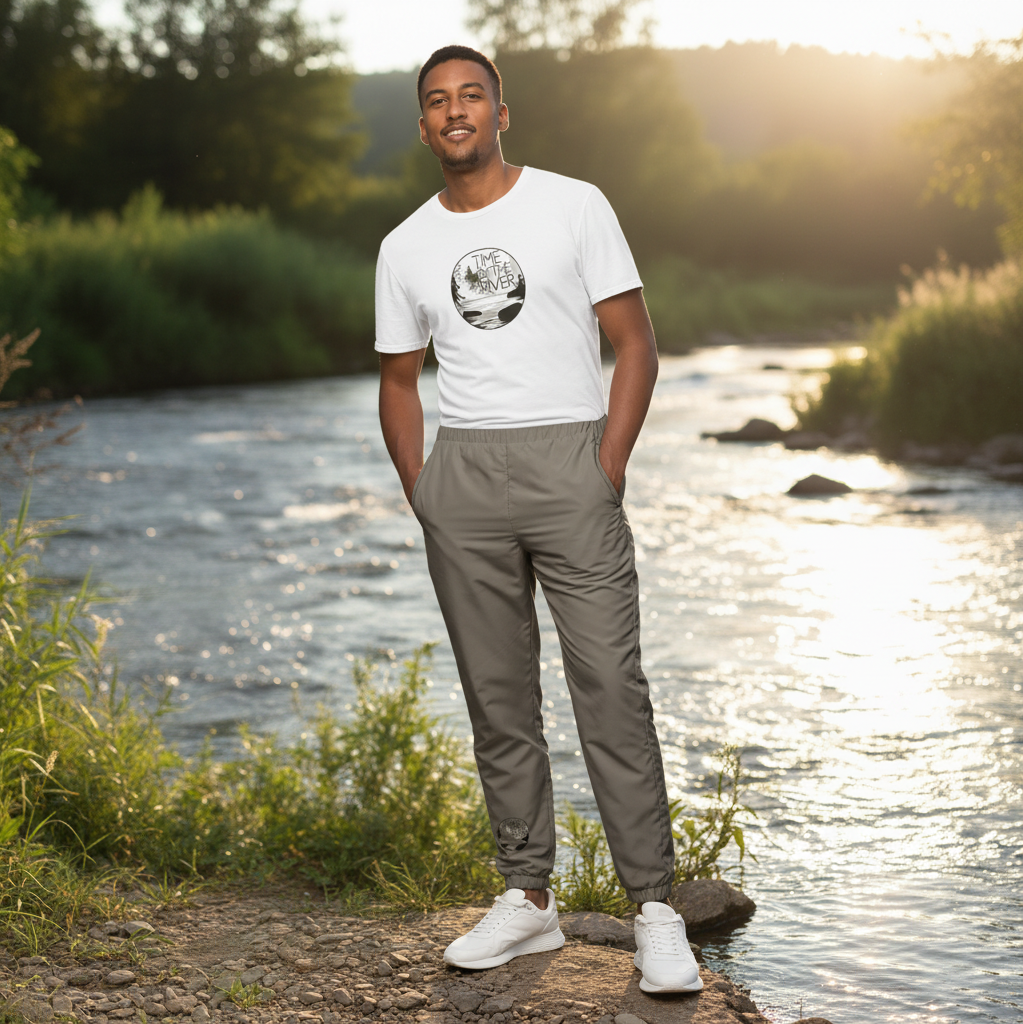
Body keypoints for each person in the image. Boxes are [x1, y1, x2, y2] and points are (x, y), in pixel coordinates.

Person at [376, 44, 702, 995]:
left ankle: (655, 910)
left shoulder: (574, 203)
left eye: (471, 94)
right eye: (437, 101)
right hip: (463, 478)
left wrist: (607, 463)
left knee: (610, 685)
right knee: (498, 697)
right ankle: (529, 899)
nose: (455, 111)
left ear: (502, 110)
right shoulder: (404, 246)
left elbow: (635, 343)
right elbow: (399, 383)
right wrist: (422, 486)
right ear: (424, 124)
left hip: (571, 463)